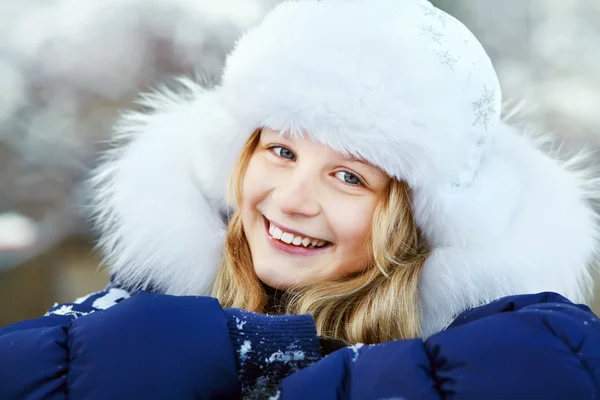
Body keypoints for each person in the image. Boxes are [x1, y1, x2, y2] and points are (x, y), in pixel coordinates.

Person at [1, 0, 599, 398]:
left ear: (417, 219)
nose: (291, 200)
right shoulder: (121, 315)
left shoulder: (474, 355)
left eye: (348, 178)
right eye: (281, 152)